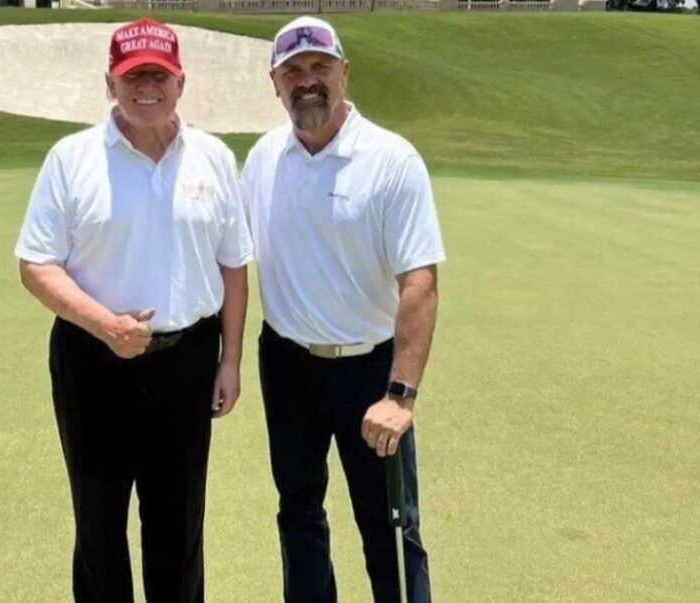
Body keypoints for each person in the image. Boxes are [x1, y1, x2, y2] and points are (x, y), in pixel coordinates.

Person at [14, 18, 253, 603]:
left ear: (181, 82)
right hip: (91, 360)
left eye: (159, 75)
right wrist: (104, 325)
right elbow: (36, 265)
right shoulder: (72, 158)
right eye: (132, 75)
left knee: (179, 526)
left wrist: (230, 361)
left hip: (187, 361)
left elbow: (234, 266)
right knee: (98, 523)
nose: (146, 86)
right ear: (109, 82)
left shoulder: (214, 159)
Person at [241, 16, 445, 603]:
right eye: (293, 71)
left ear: (345, 73)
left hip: (370, 371)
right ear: (275, 84)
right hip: (286, 364)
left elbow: (421, 281)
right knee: (299, 512)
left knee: (390, 524)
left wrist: (400, 395)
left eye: (320, 67)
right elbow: (228, 258)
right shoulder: (261, 160)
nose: (307, 81)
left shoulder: (391, 159)